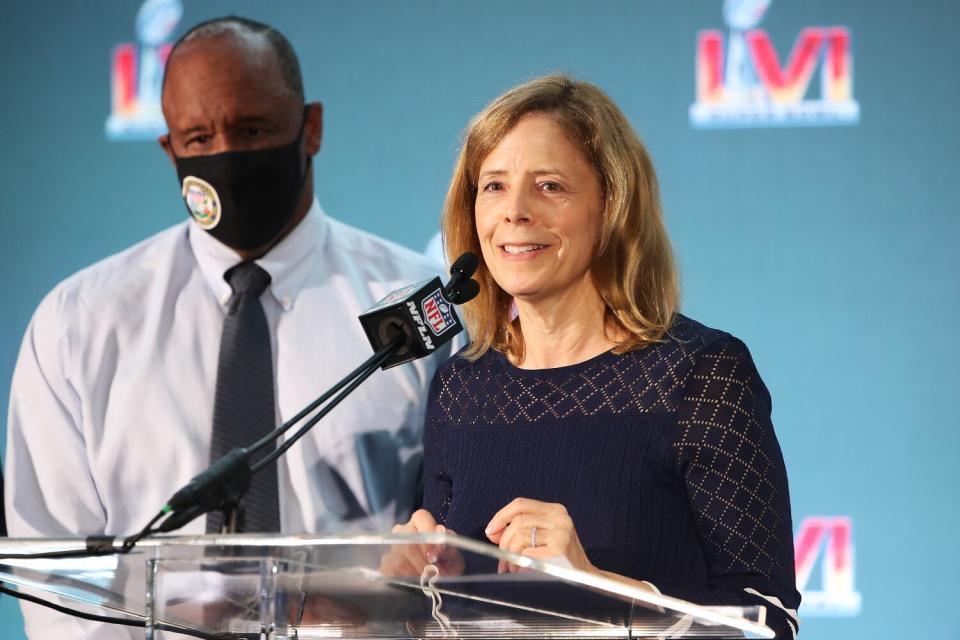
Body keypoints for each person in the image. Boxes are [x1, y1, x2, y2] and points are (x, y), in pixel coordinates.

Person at [4, 16, 449, 638]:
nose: (226, 157)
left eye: (252, 130)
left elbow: (457, 551)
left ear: (310, 127)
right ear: (169, 150)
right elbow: (54, 571)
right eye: (199, 138)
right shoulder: (78, 324)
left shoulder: (421, 311)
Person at [393, 75, 801, 638]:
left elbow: (770, 622)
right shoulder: (461, 388)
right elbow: (448, 616)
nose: (514, 211)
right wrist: (417, 590)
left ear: (611, 206)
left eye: (550, 186)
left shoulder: (701, 374)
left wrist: (599, 589)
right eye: (493, 186)